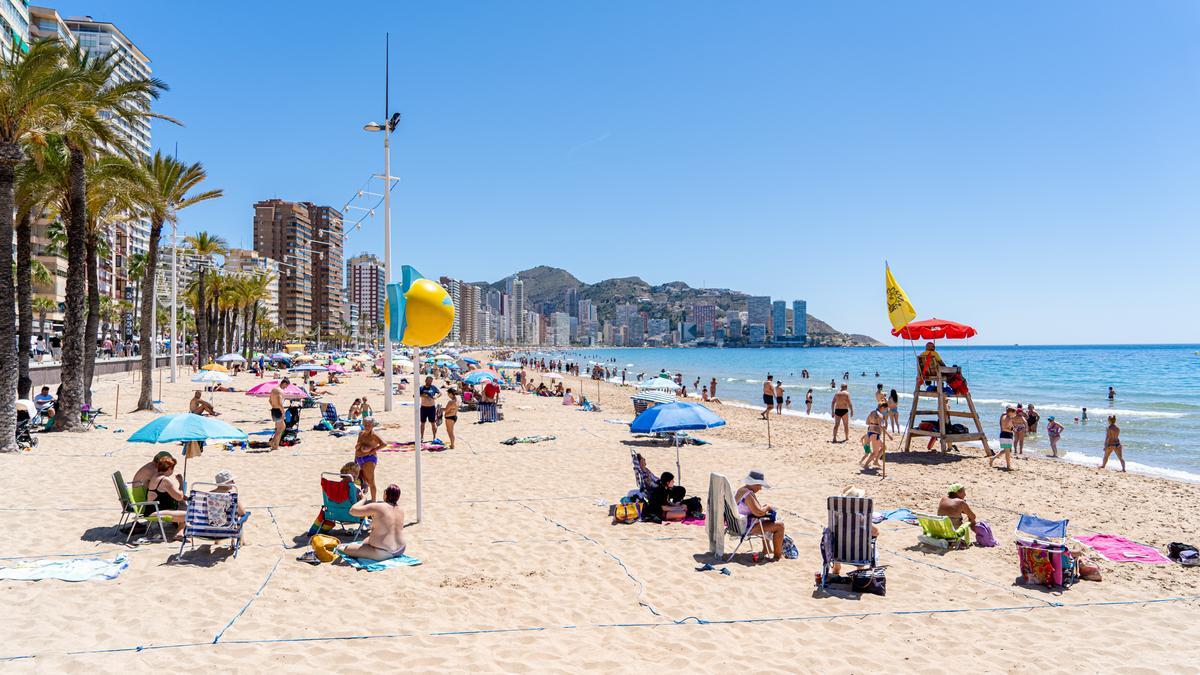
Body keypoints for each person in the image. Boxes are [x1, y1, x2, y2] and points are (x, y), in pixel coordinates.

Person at [338, 484, 407, 561]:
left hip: (383, 552)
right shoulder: (401, 510)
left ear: (385, 494)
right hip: (401, 549)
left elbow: (352, 511)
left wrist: (363, 499)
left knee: (345, 549)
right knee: (366, 540)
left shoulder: (378, 506)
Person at [734, 470, 784, 562]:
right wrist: (768, 507)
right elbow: (759, 513)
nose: (760, 488)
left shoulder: (741, 490)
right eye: (760, 485)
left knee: (766, 520)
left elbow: (755, 510)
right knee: (780, 526)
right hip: (745, 527)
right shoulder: (748, 494)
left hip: (737, 524)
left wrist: (763, 508)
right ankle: (777, 556)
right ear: (755, 483)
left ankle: (767, 549)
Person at [831, 487, 878, 574]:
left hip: (838, 554)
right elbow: (875, 532)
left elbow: (830, 531)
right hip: (859, 555)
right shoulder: (862, 518)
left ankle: (836, 569)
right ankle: (859, 571)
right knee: (863, 542)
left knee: (838, 539)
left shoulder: (838, 518)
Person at [144, 453, 187, 536]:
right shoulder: (165, 480)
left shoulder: (156, 476)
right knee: (190, 514)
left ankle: (179, 533)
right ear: (170, 468)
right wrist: (181, 483)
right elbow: (179, 497)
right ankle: (180, 532)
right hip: (155, 512)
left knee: (184, 505)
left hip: (152, 509)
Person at [355, 418, 386, 500]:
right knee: (364, 479)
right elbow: (357, 447)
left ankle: (373, 501)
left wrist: (373, 451)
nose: (366, 426)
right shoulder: (361, 433)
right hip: (359, 458)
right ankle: (365, 487)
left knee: (371, 481)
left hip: (369, 459)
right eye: (365, 424)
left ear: (372, 425)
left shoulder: (374, 435)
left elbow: (384, 444)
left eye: (368, 424)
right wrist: (355, 460)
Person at [861, 402, 892, 471]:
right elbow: (881, 427)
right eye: (885, 409)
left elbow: (867, 422)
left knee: (884, 447)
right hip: (875, 433)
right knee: (875, 452)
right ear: (882, 407)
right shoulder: (880, 415)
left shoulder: (872, 412)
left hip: (870, 432)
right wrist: (889, 435)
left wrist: (873, 423)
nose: (885, 411)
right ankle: (866, 465)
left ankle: (876, 461)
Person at [269, 378, 289, 451]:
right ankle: (272, 442)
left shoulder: (273, 390)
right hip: (278, 411)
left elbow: (270, 400)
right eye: (286, 386)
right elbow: (280, 403)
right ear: (284, 383)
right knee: (281, 428)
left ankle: (275, 446)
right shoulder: (279, 391)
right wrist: (283, 412)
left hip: (274, 410)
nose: (285, 388)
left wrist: (273, 406)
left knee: (279, 428)